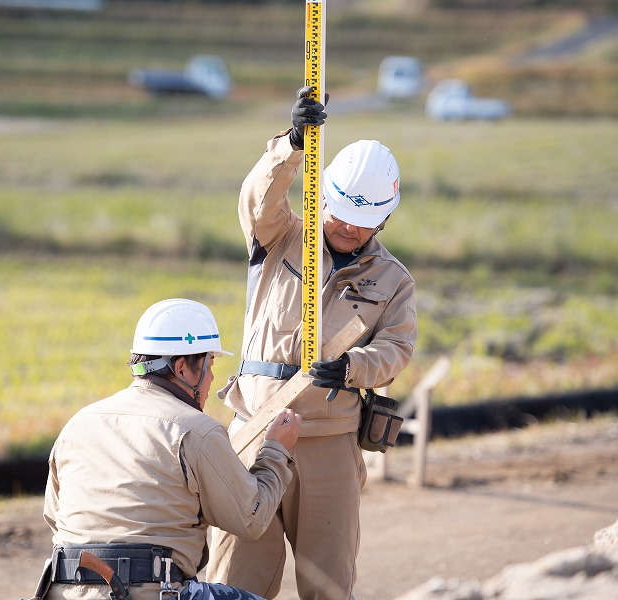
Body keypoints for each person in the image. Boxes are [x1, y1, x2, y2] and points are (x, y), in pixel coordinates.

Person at [207, 88, 418, 599]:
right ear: (322, 195)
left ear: (384, 219)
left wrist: (353, 367)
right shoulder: (278, 237)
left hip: (331, 441)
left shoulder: (393, 280)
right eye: (340, 211)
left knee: (328, 582)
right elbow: (258, 198)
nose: (347, 226)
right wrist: (291, 146)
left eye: (362, 220)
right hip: (256, 429)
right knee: (235, 580)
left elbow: (398, 347)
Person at [41, 298, 303, 600]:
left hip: (64, 592)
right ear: (182, 368)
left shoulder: (78, 423)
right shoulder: (196, 430)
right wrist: (275, 450)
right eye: (209, 364)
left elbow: (54, 515)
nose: (212, 379)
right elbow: (252, 518)